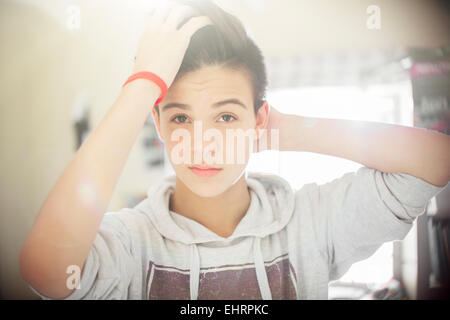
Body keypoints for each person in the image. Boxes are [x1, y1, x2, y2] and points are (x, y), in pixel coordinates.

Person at [19, 0, 449, 300]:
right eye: (181, 118)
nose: (203, 142)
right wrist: (142, 85)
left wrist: (283, 130)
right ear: (158, 124)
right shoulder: (131, 244)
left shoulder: (312, 224)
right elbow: (47, 272)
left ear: (257, 121)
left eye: (225, 117)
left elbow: (435, 161)